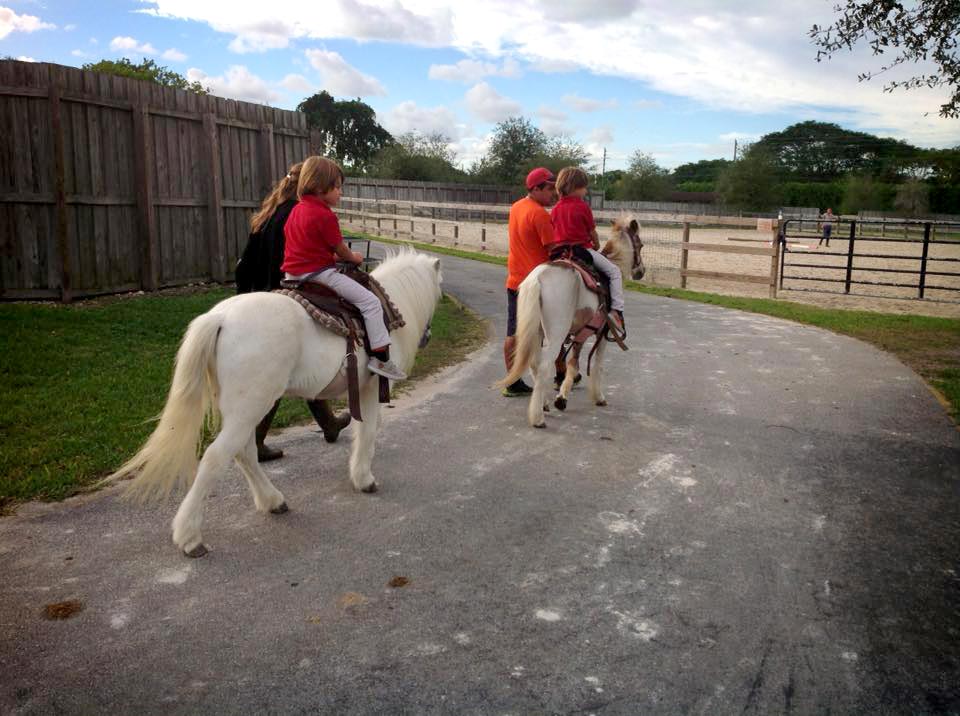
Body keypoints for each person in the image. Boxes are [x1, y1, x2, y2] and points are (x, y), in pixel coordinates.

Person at [236, 162, 351, 462]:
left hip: (255, 296)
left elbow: (243, 264)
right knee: (283, 369)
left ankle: (329, 423)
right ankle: (257, 440)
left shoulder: (267, 214)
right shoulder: (296, 213)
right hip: (284, 294)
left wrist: (244, 298)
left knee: (299, 363)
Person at [282, 155, 406, 382]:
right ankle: (380, 357)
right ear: (320, 187)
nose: (340, 192)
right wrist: (355, 257)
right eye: (337, 187)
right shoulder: (325, 215)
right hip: (319, 275)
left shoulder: (296, 210)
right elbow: (341, 250)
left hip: (291, 275)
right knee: (370, 303)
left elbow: (306, 244)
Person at [548, 166, 625, 333]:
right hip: (582, 250)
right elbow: (592, 233)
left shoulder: (555, 209)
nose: (585, 191)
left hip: (560, 253)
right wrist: (596, 245)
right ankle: (616, 311)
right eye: (584, 187)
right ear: (576, 187)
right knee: (614, 272)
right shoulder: (583, 207)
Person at [502, 167, 557, 397]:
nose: (553, 194)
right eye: (549, 189)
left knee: (513, 333)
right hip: (536, 285)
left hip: (515, 281)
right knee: (549, 333)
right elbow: (553, 251)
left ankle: (512, 382)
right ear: (535, 188)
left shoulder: (516, 207)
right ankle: (560, 374)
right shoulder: (540, 214)